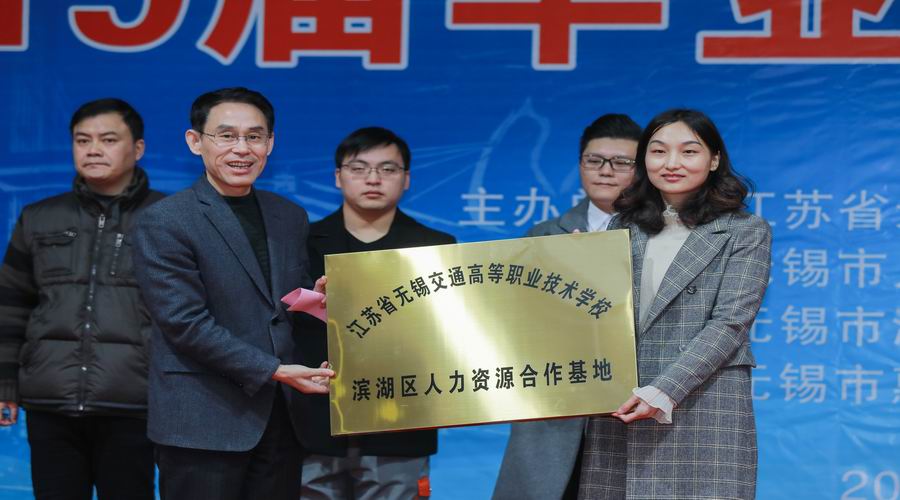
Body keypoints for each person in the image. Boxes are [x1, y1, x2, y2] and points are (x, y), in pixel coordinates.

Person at [130, 87, 334, 500]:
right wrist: (274, 370)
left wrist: (316, 302)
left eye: (254, 136)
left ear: (270, 143)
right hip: (202, 421)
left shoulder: (289, 216)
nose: (242, 148)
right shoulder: (165, 221)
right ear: (195, 141)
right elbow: (184, 323)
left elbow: (280, 306)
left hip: (281, 419)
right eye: (226, 136)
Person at [579, 109, 772, 499]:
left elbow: (730, 323)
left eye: (688, 151)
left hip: (703, 403)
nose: (671, 163)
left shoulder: (744, 231)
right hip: (622, 404)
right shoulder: (621, 226)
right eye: (658, 151)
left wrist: (664, 390)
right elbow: (603, 315)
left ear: (714, 159)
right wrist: (577, 269)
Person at [0, 98, 163, 499]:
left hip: (135, 400)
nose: (93, 150)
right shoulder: (39, 217)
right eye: (82, 140)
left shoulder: (168, 219)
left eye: (108, 139)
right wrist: (5, 384)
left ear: (138, 148)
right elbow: (12, 306)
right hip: (50, 400)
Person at [297, 126, 456, 499]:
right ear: (338, 177)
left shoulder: (435, 247)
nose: (373, 179)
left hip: (400, 426)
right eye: (359, 168)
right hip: (315, 425)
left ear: (406, 179)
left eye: (387, 169)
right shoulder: (299, 243)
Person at [493, 113, 641, 500]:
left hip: (629, 413)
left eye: (621, 162)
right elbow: (513, 323)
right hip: (554, 413)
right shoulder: (543, 236)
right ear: (580, 164)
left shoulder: (660, 238)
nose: (605, 171)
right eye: (595, 160)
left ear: (641, 170)